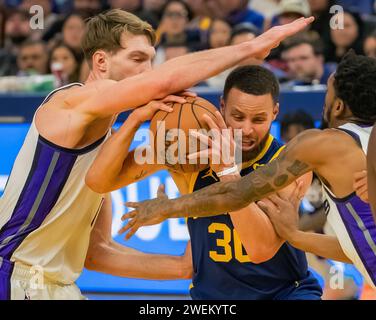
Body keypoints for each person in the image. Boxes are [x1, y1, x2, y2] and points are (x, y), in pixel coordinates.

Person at [0, 8, 314, 300]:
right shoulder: (70, 102)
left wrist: (185, 267)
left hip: (57, 284)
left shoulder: (109, 138)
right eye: (137, 59)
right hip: (16, 271)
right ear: (100, 62)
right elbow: (163, 80)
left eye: (151, 61)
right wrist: (251, 48)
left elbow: (95, 249)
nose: (147, 72)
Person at [122, 51, 376, 289]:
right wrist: (295, 236)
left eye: (328, 94)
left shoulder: (321, 144)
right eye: (239, 117)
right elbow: (355, 249)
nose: (246, 129)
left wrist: (167, 208)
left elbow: (237, 194)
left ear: (339, 106)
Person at [87, 65, 322, 300]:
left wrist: (228, 171)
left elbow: (260, 249)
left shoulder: (290, 163)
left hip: (286, 293)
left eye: (259, 119)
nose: (247, 129)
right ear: (222, 107)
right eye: (237, 117)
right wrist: (136, 118)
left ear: (275, 112)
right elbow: (100, 182)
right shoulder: (190, 154)